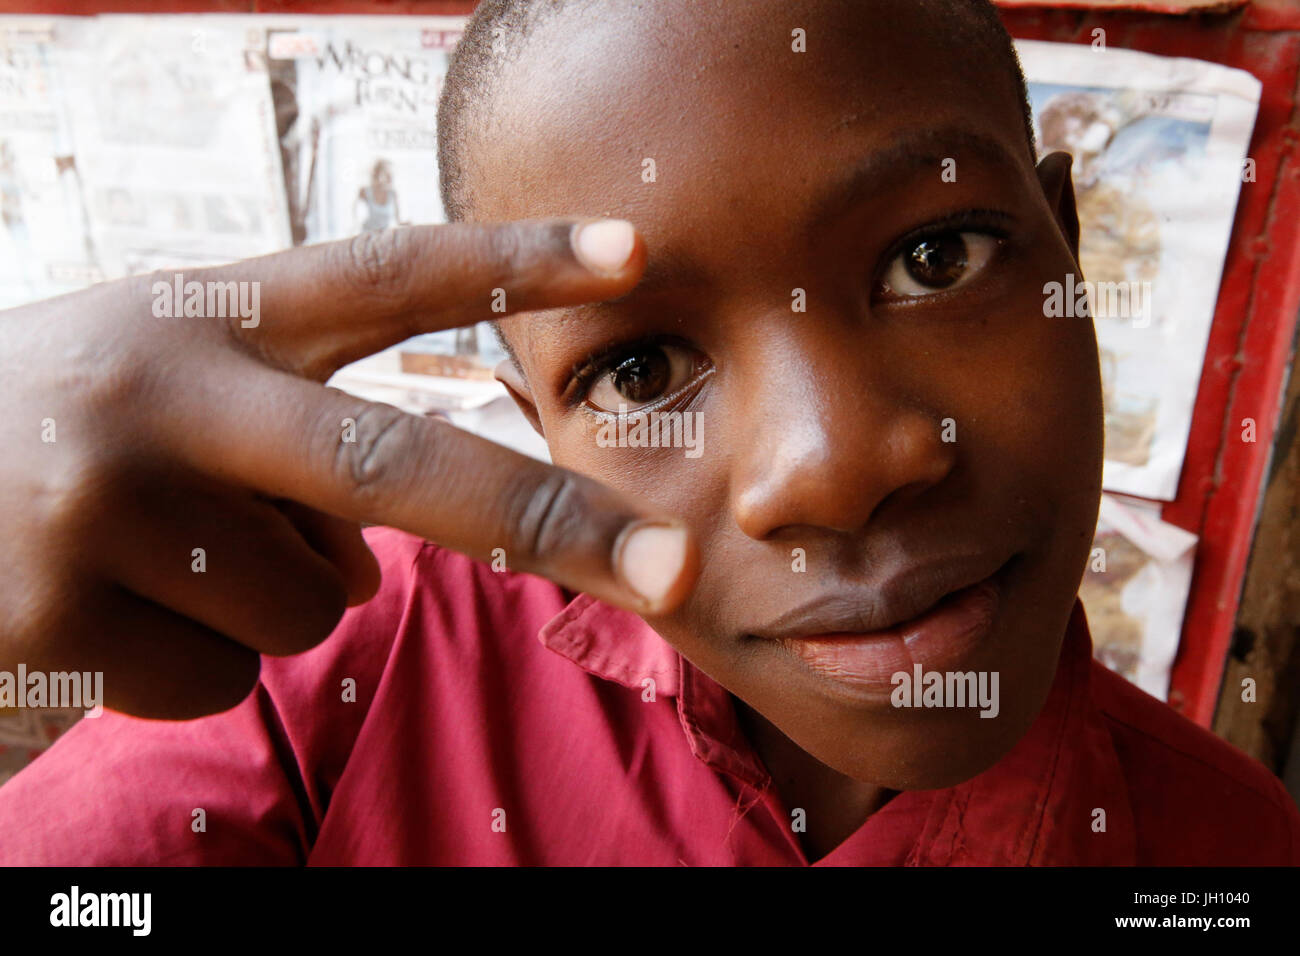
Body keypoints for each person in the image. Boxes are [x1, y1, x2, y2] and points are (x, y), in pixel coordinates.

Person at [0, 0, 1296, 865]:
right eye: (638, 370)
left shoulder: (1226, 847)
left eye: (934, 257)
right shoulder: (339, 659)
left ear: (1066, 252)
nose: (831, 470)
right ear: (540, 433)